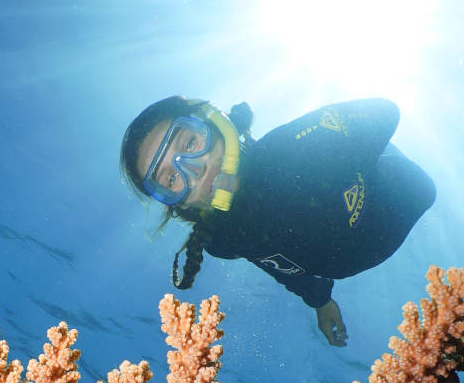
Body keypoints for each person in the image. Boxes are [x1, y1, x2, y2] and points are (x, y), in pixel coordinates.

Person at [120, 97, 436, 346]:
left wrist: (341, 161)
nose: (195, 169)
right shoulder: (221, 241)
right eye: (172, 177)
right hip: (352, 255)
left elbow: (386, 112)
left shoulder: (288, 148)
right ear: (176, 203)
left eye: (190, 144)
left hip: (404, 189)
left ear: (216, 126)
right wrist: (321, 301)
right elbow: (280, 266)